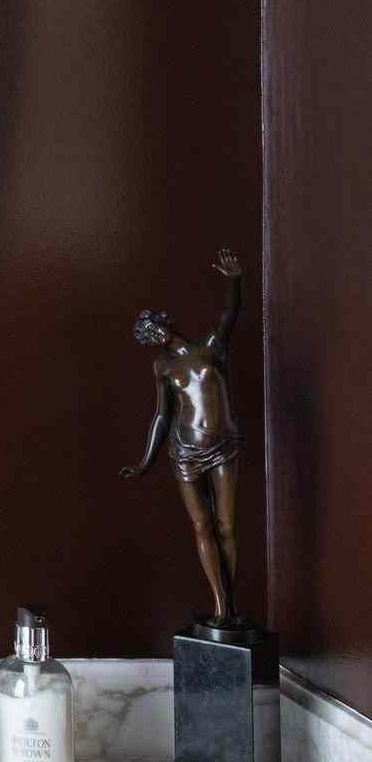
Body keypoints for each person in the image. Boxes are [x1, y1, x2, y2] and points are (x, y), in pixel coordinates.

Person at [122, 250, 244, 625]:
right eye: (149, 333)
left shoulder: (210, 346)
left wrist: (234, 281)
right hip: (184, 451)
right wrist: (145, 461)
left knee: (226, 525)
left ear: (167, 321)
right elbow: (161, 415)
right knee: (201, 525)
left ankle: (230, 606)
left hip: (223, 444)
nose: (156, 332)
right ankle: (221, 605)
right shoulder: (163, 366)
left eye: (156, 325)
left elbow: (229, 315)